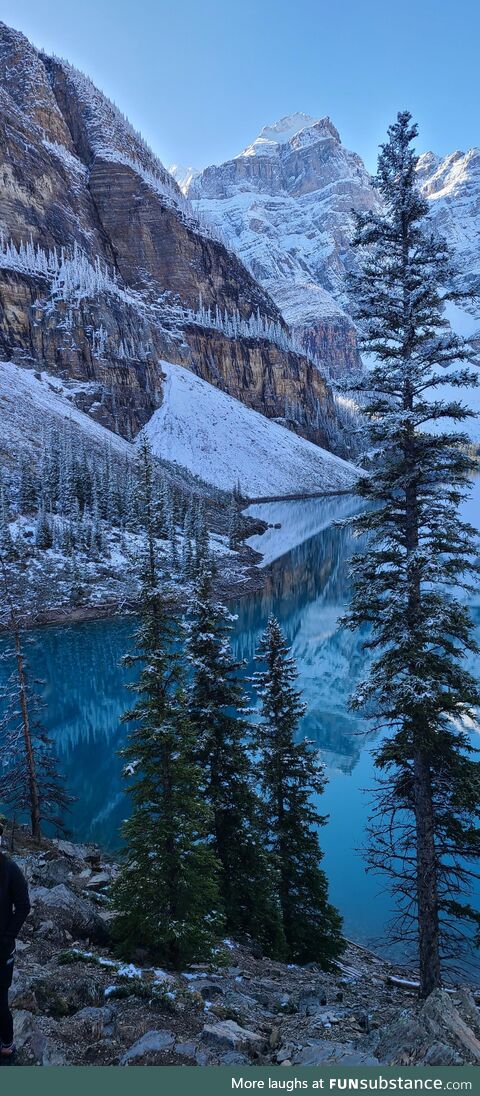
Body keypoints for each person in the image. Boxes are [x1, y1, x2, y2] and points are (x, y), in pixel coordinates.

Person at [0, 818, 30, 1066]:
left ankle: (7, 1047)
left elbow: (23, 906)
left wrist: (8, 937)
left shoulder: (9, 870)